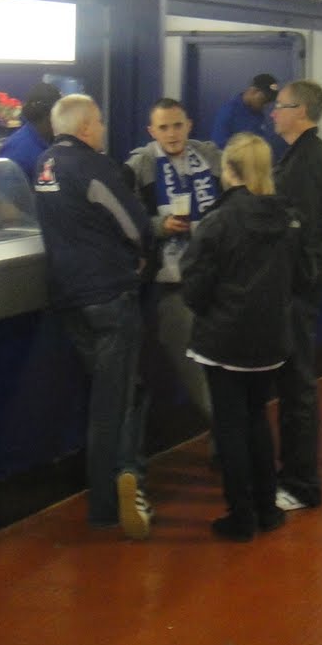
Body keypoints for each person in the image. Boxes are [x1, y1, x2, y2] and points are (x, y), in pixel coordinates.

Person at [31, 94, 155, 541]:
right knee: (114, 403)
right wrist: (143, 254)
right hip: (108, 295)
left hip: (67, 297)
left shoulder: (44, 164)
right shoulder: (94, 166)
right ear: (85, 127)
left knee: (120, 392)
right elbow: (135, 226)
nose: (103, 128)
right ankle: (112, 497)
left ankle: (126, 477)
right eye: (99, 121)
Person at [180, 133, 303, 541]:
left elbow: (195, 283)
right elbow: (302, 274)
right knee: (257, 418)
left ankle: (241, 516)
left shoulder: (218, 221)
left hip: (224, 339)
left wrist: (209, 310)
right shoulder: (286, 218)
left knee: (230, 425)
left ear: (228, 170)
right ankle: (267, 508)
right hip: (270, 337)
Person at [125, 98, 223, 429]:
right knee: (193, 366)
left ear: (189, 125)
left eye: (178, 125)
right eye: (163, 127)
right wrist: (159, 226)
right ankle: (225, 432)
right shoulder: (140, 165)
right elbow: (129, 219)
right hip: (172, 282)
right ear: (151, 131)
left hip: (216, 277)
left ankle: (228, 438)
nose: (172, 134)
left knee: (221, 361)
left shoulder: (209, 156)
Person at [270, 79, 322, 511]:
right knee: (293, 383)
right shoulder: (301, 156)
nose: (274, 112)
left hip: (297, 285)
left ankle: (300, 483)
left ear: (302, 112)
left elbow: (300, 229)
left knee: (297, 385)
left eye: (281, 105)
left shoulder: (305, 162)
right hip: (298, 281)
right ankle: (292, 474)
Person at [0, 82, 62, 179]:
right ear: (49, 116)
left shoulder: (50, 141)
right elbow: (6, 187)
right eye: (60, 115)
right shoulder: (18, 150)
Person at [210, 73, 279, 149]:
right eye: (264, 100)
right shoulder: (229, 112)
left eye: (269, 101)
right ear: (253, 91)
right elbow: (218, 147)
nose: (265, 105)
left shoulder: (258, 112)